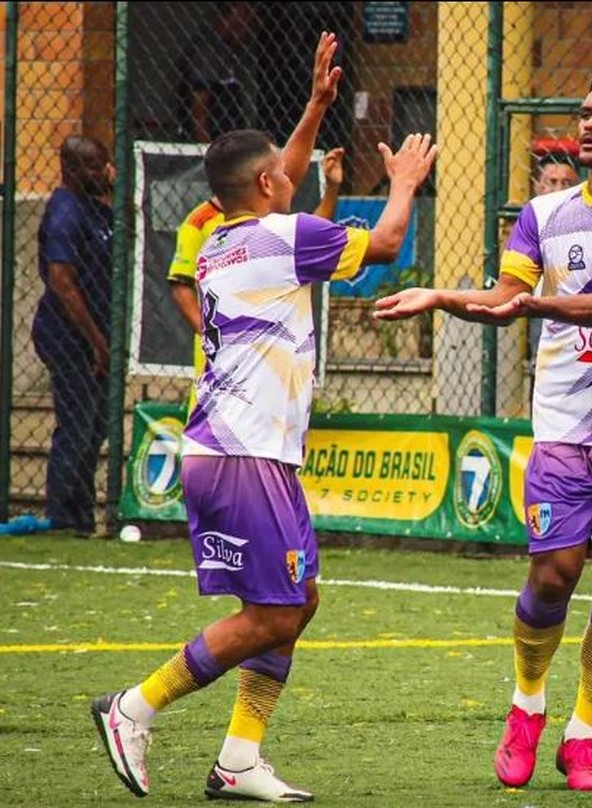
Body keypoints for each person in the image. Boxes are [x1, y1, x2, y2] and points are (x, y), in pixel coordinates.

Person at [90, 32, 437, 802]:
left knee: (296, 599)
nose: (291, 172)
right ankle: (134, 707)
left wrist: (315, 106)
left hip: (237, 448)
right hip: (244, 451)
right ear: (275, 185)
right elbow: (383, 241)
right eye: (284, 170)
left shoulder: (219, 240)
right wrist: (404, 180)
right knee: (276, 610)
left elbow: (274, 177)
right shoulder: (282, 238)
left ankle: (240, 758)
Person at [375, 73, 592, 792]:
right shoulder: (544, 211)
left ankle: (582, 737)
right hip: (562, 422)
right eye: (584, 114)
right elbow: (503, 296)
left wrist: (528, 308)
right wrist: (442, 295)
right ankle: (527, 708)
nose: (588, 125)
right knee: (552, 574)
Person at [167, 147, 346, 410]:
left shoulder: (269, 220)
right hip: (223, 365)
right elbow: (181, 286)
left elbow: (311, 242)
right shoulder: (198, 223)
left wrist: (332, 188)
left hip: (268, 360)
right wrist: (212, 336)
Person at [31, 135, 114, 536]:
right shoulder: (65, 211)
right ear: (72, 168)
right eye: (96, 167)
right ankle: (62, 517)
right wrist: (98, 343)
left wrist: (111, 191)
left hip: (94, 336)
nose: (103, 173)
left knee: (95, 426)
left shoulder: (94, 207)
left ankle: (81, 516)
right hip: (68, 336)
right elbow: (63, 282)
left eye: (105, 164)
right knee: (78, 424)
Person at [526, 151, 581, 401]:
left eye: (566, 183)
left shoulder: (589, 226)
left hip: (583, 330)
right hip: (542, 325)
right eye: (552, 181)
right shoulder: (527, 226)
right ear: (538, 186)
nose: (559, 189)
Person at [177, 2, 258, 143]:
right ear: (234, 14)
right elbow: (198, 111)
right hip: (215, 147)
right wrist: (208, 150)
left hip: (229, 144)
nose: (249, 25)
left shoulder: (231, 52)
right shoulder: (208, 51)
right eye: (246, 14)